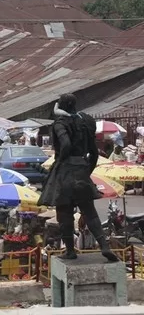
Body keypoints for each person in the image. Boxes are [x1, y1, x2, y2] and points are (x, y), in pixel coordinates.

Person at [38, 93, 117, 262]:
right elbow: (94, 153)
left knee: (64, 212)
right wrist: (86, 171)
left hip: (65, 170)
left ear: (62, 105)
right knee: (90, 212)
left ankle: (70, 251)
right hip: (82, 169)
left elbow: (65, 144)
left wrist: (60, 163)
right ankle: (104, 245)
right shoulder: (86, 122)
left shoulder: (61, 123)